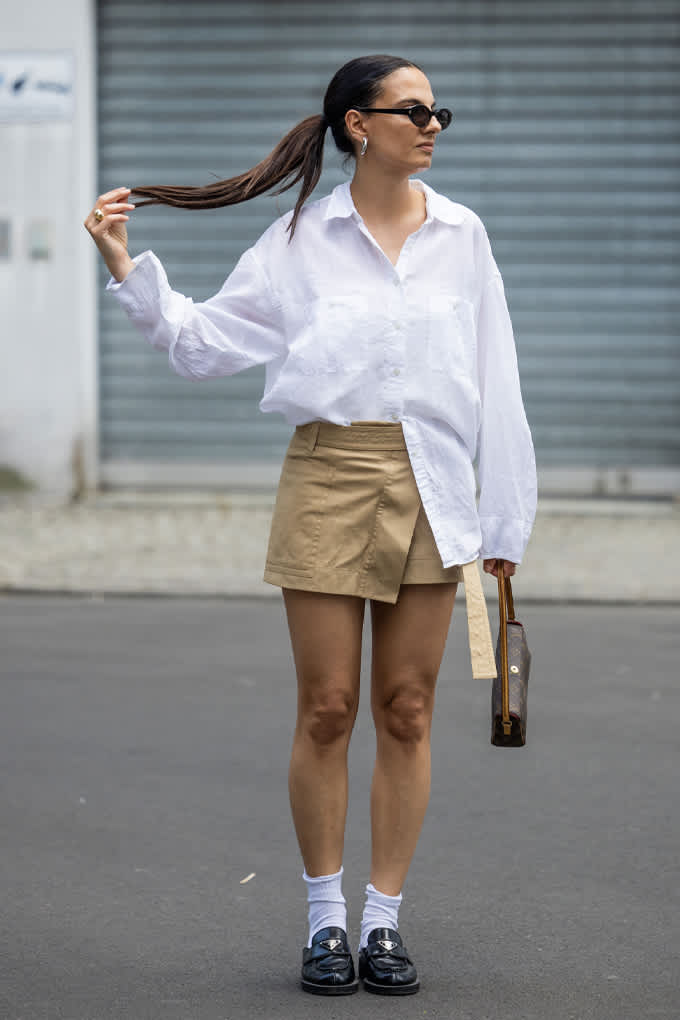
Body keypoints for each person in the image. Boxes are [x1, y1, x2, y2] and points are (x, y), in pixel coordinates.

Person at [84, 54, 536, 997]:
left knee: (406, 711)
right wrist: (127, 267)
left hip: (434, 480)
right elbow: (205, 347)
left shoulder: (463, 234)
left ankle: (384, 923)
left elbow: (499, 378)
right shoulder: (299, 240)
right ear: (355, 126)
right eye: (412, 110)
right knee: (328, 709)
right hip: (330, 473)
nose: (433, 124)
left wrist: (504, 520)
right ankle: (325, 920)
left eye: (438, 109)